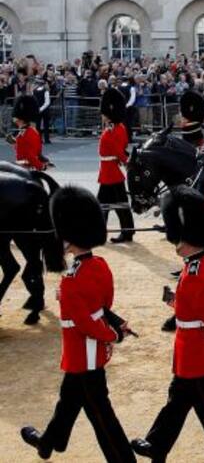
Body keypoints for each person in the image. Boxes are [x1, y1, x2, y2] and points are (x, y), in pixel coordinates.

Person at [20, 186, 136, 463]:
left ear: (68, 238)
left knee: (101, 415)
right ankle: (48, 442)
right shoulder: (100, 265)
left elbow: (84, 322)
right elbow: (103, 303)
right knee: (68, 400)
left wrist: (113, 334)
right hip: (89, 351)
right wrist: (112, 326)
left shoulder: (72, 279)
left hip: (81, 352)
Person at [132, 187, 204, 462]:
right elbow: (199, 305)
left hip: (196, 350)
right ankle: (156, 443)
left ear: (188, 238)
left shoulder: (195, 270)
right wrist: (175, 302)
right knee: (178, 399)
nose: (175, 243)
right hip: (193, 346)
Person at [97, 86, 135, 243]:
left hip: (111, 172)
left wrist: (127, 162)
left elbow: (119, 150)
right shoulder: (114, 127)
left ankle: (125, 232)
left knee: (115, 205)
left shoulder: (115, 129)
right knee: (106, 205)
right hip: (108, 171)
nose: (103, 116)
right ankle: (121, 232)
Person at [9, 94, 46, 170]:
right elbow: (25, 148)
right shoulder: (31, 132)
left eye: (15, 118)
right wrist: (14, 142)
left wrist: (41, 166)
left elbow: (29, 155)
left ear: (21, 119)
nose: (14, 119)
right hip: (28, 167)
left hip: (25, 169)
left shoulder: (25, 134)